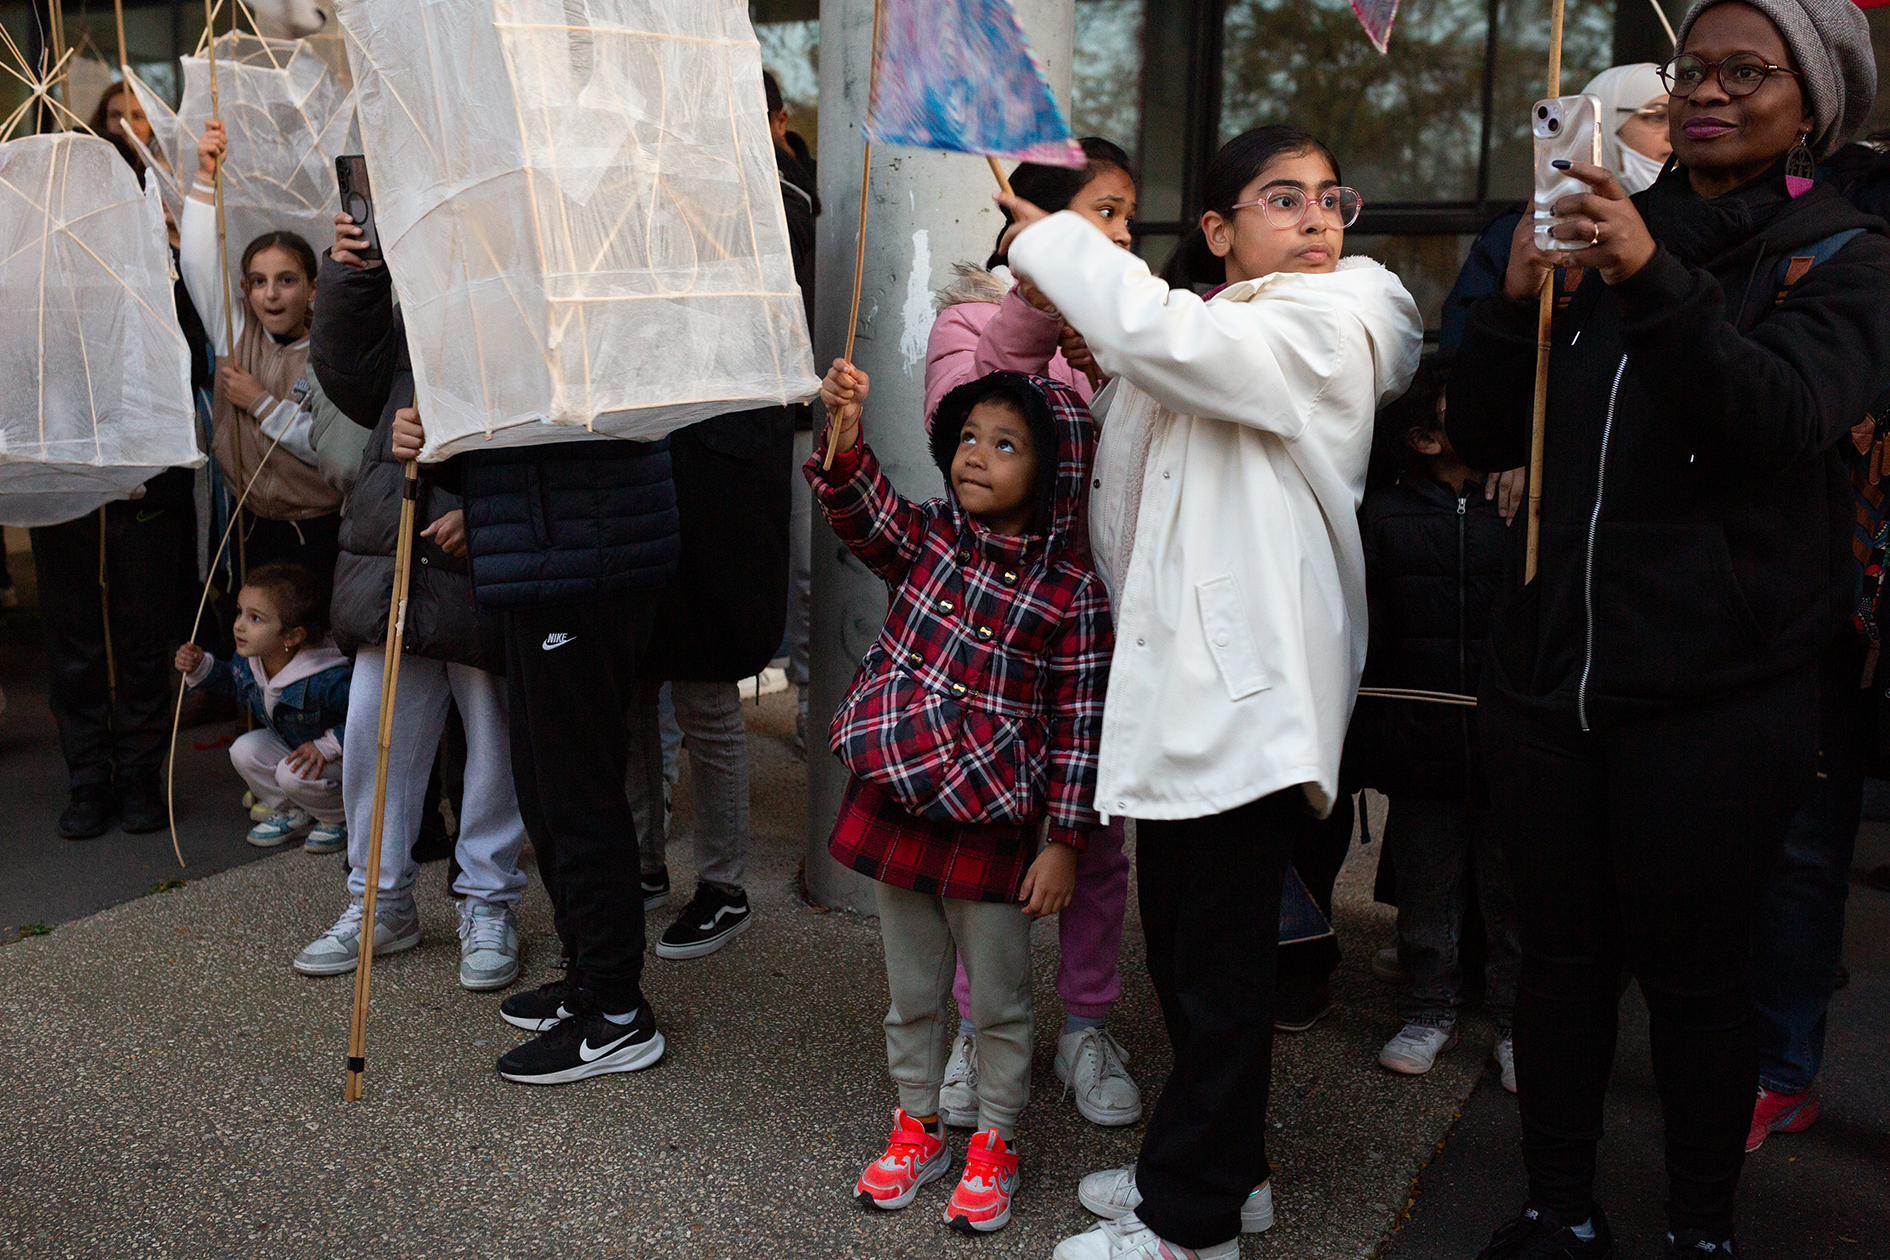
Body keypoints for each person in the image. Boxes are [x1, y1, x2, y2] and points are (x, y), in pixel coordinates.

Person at [1445, 0, 1890, 1254]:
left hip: (1720, 698)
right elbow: (1481, 434)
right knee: (1561, 968)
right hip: (1551, 682)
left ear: (1812, 104)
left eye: (1747, 72)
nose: (1706, 93)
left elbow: (1775, 419)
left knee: (1700, 981)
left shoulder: (1843, 256)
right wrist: (1513, 305)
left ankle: (1701, 1227)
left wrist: (1649, 274)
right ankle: (1558, 1207)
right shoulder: (1598, 231)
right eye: (1693, 69)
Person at [1003, 125, 1422, 1260]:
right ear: (1219, 230)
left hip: (1244, 695)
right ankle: (1227, 1180)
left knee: (1223, 971)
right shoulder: (1224, 323)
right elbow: (1160, 397)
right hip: (1187, 689)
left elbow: (1174, 342)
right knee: (1190, 956)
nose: (1318, 217)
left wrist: (1056, 241)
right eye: (1283, 198)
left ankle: (1191, 1228)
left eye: (1329, 197)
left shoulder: (1336, 318)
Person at [810, 363, 1109, 1235]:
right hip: (899, 795)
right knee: (911, 989)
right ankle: (917, 1127)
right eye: (969, 437)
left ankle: (997, 1141)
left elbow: (1081, 729)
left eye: (1007, 445)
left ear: (1053, 474)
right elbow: (864, 513)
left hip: (994, 824)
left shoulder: (1074, 594)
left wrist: (1065, 842)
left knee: (1003, 1000)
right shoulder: (931, 538)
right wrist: (845, 433)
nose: (977, 455)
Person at [923, 139, 1143, 1130]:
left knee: (1094, 844)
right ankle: (980, 1029)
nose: (1125, 235)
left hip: (1099, 635)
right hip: (998, 638)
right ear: (1043, 222)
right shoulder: (972, 318)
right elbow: (965, 417)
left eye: (1130, 215)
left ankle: (1086, 1026)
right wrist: (1044, 297)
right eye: (1106, 212)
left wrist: (1117, 370)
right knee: (993, 844)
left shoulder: (1130, 325)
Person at [390, 363, 680, 1088]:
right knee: (546, 787)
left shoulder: (583, 305)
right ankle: (588, 976)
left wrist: (455, 436)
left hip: (582, 552)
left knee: (578, 791)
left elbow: (589, 416)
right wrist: (441, 445)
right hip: (541, 547)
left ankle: (617, 1012)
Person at [290, 212, 530, 992]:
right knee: (374, 726)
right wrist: (352, 274)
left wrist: (488, 513)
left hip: (478, 540)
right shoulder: (415, 292)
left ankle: (488, 899)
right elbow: (351, 375)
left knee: (491, 731)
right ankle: (378, 898)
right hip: (395, 535)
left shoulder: (523, 292)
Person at [29, 83, 201, 841]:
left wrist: (168, 252)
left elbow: (184, 348)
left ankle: (139, 775)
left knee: (141, 637)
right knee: (72, 641)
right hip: (61, 478)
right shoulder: (29, 266)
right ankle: (87, 777)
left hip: (142, 483)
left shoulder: (145, 247)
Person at [1344, 353, 1521, 1088]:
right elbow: (1368, 626)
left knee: (1514, 890)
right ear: (1422, 438)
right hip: (1421, 735)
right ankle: (1427, 1009)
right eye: (1464, 406)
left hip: (1511, 736)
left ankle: (1517, 1020)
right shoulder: (1385, 515)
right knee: (1427, 882)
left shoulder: (1522, 502)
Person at [181, 119, 343, 584]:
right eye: (258, 281)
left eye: (286, 280)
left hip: (317, 527)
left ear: (313, 289)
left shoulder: (331, 349)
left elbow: (329, 449)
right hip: (249, 522)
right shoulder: (236, 333)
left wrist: (260, 403)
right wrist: (205, 176)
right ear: (244, 288)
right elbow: (195, 261)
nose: (270, 294)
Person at [1440, 62, 1674, 352]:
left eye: (1677, 117)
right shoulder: (1521, 235)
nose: (1672, 132)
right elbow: (1457, 360)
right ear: (1602, 124)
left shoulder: (1688, 224)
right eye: (1657, 116)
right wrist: (1513, 300)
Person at [172, 562, 350, 849]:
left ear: (292, 636)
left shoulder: (326, 678)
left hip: (339, 762)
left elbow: (369, 717)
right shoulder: (252, 660)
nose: (239, 625)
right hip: (299, 752)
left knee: (290, 775)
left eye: (255, 618)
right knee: (244, 750)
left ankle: (338, 818)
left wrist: (328, 745)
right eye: (239, 612)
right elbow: (233, 681)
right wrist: (200, 666)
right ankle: (296, 811)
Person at [766, 67, 821, 753]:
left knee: (809, 570)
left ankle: (811, 699)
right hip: (725, 413)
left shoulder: (799, 194)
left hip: (799, 410)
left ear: (779, 121)